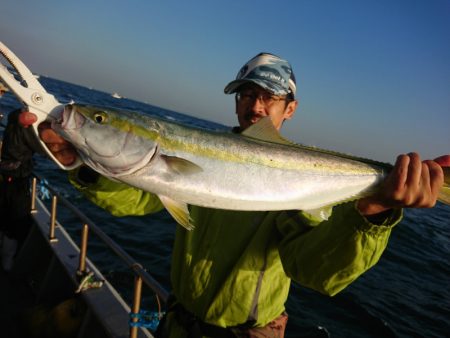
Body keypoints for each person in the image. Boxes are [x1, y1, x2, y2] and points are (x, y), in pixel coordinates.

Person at [20, 53, 446, 337]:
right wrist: (82, 166)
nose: (255, 106)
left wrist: (371, 211)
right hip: (178, 324)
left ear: (289, 109)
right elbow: (138, 198)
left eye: (270, 98)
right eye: (247, 94)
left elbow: (315, 271)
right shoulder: (170, 167)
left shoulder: (301, 182)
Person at [0, 82, 46, 271]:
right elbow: (41, 149)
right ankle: (7, 263)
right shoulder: (25, 122)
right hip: (16, 180)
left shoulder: (12, 116)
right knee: (16, 221)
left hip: (7, 177)